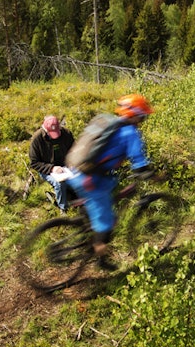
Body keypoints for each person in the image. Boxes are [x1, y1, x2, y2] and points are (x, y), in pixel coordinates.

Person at [66, 94, 155, 270]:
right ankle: (101, 260)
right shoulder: (130, 133)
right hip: (89, 180)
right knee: (107, 225)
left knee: (110, 186)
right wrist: (153, 175)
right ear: (136, 115)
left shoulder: (108, 122)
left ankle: (88, 225)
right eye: (143, 116)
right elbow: (140, 165)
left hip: (74, 170)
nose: (143, 120)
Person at [28, 115, 75, 211]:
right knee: (60, 183)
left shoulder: (66, 134)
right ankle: (63, 209)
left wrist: (72, 162)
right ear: (45, 129)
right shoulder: (37, 139)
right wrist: (52, 168)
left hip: (67, 168)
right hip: (48, 170)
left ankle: (80, 200)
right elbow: (34, 162)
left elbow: (75, 150)